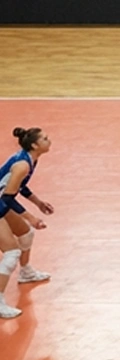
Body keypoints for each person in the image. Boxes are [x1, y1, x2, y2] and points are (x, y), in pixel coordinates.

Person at [0, 127, 55, 318]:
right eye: (45, 138)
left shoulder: (31, 159)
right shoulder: (22, 165)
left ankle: (26, 272)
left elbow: (20, 187)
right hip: (0, 203)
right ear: (34, 145)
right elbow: (7, 198)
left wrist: (38, 203)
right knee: (11, 252)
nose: (49, 140)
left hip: (1, 202)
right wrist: (30, 217)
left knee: (26, 233)